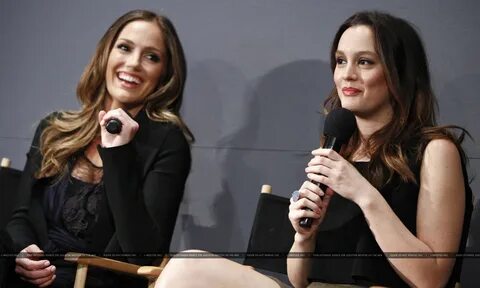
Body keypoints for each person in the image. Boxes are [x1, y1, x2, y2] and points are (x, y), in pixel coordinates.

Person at [153, 11, 472, 288]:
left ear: (398, 73)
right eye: (340, 61)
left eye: (364, 62)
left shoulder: (435, 151)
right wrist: (304, 237)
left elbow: (431, 278)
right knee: (186, 267)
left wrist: (364, 194)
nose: (347, 74)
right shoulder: (339, 148)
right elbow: (299, 279)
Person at [4, 9, 193, 287]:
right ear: (106, 54)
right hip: (27, 277)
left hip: (93, 280)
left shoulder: (168, 144)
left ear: (164, 74)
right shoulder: (54, 128)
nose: (133, 63)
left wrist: (118, 153)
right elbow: (20, 215)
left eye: (151, 57)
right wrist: (22, 253)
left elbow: (143, 255)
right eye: (125, 48)